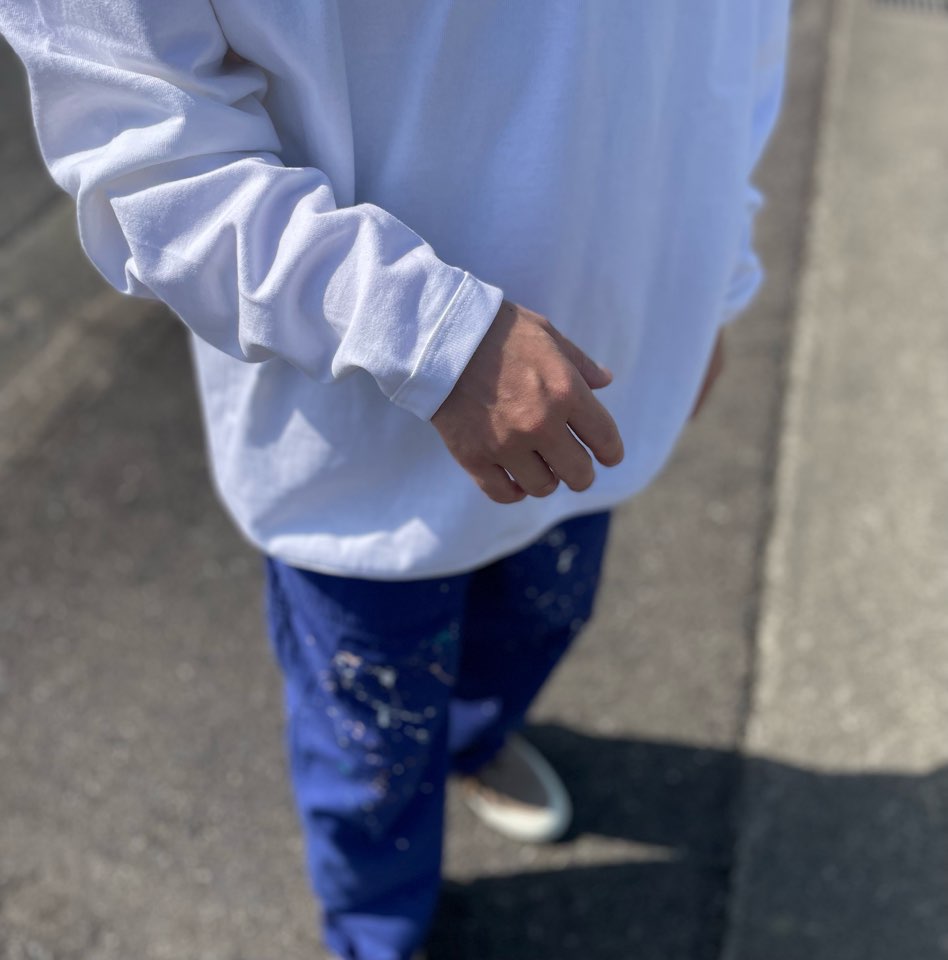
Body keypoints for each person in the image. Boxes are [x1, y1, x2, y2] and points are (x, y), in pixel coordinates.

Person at [0, 2, 790, 957]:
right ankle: (378, 932)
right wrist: (430, 335)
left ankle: (471, 744)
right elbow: (140, 143)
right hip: (355, 442)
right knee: (370, 752)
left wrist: (719, 276)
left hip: (604, 369)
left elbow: (737, 34)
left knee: (541, 617)